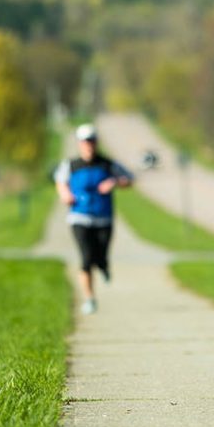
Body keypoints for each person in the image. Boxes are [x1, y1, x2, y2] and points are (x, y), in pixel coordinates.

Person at [54, 123, 134, 315]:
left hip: (103, 218)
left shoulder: (107, 164)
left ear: (96, 143)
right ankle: (90, 299)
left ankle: (104, 266)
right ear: (80, 144)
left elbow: (129, 179)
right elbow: (59, 181)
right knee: (86, 258)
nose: (88, 145)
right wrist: (65, 194)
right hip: (79, 217)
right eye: (85, 142)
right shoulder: (71, 165)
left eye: (91, 141)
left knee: (101, 256)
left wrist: (113, 182)